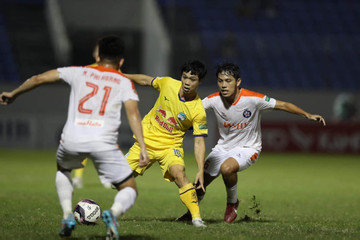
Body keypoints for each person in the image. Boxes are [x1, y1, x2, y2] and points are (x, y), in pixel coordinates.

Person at [0, 36, 149, 239]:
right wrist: (142, 145)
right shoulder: (123, 82)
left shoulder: (79, 71)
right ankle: (113, 214)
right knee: (129, 187)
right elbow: (133, 114)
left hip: (72, 138)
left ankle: (67, 215)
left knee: (64, 168)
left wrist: (14, 94)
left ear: (98, 56)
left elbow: (38, 79)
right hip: (103, 142)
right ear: (121, 61)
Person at [176, 62, 326, 223]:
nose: (224, 85)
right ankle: (191, 212)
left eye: (228, 81)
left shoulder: (252, 99)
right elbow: (191, 112)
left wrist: (307, 115)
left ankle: (232, 203)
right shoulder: (213, 100)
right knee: (200, 183)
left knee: (227, 168)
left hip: (248, 148)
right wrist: (179, 120)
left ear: (238, 82)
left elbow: (283, 105)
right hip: (222, 147)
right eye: (220, 81)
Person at [124, 60, 208, 227]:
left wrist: (200, 170)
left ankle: (197, 218)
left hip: (170, 147)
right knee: (119, 180)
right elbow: (146, 80)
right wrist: (122, 76)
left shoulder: (198, 110)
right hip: (145, 142)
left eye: (192, 79)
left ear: (200, 82)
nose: (187, 82)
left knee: (180, 173)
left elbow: (199, 142)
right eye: (185, 77)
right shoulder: (168, 83)